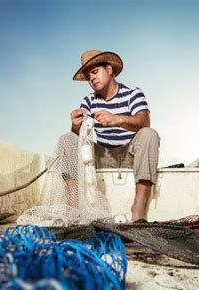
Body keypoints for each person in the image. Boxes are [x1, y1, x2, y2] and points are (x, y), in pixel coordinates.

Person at [60, 49, 160, 222]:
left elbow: (144, 121)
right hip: (102, 154)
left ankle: (138, 211)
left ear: (109, 70)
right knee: (67, 139)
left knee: (149, 134)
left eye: (95, 72)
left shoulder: (133, 93)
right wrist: (75, 126)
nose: (91, 78)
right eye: (88, 76)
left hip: (131, 153)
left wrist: (117, 119)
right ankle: (73, 209)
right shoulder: (89, 101)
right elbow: (80, 137)